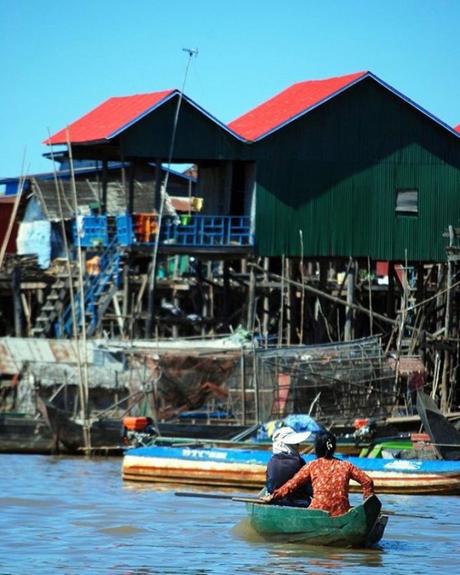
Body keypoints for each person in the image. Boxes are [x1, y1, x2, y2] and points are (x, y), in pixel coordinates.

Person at [263, 431, 374, 516]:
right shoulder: (346, 465)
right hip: (341, 513)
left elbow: (292, 485)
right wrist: (367, 502)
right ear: (333, 447)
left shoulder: (312, 466)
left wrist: (273, 496)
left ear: (317, 448)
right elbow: (367, 481)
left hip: (317, 513)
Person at [265, 426, 313, 507]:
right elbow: (309, 489)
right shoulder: (300, 461)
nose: (298, 446)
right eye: (297, 444)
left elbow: (269, 488)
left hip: (275, 502)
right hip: (299, 503)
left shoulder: (271, 462)